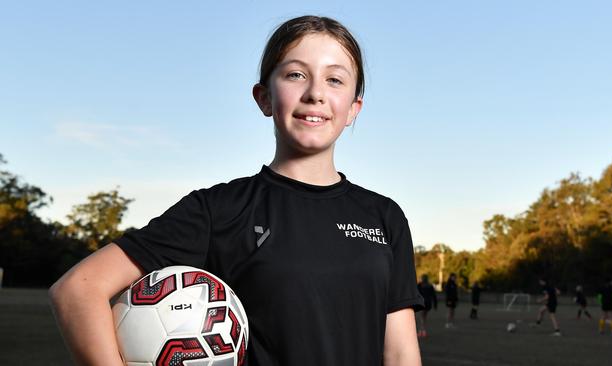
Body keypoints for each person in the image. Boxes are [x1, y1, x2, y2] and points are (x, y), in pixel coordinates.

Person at [48, 15, 424, 366]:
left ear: (354, 108)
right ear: (263, 97)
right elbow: (77, 290)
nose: (315, 93)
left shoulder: (383, 216)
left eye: (335, 79)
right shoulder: (218, 210)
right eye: (295, 74)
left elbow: (401, 351)